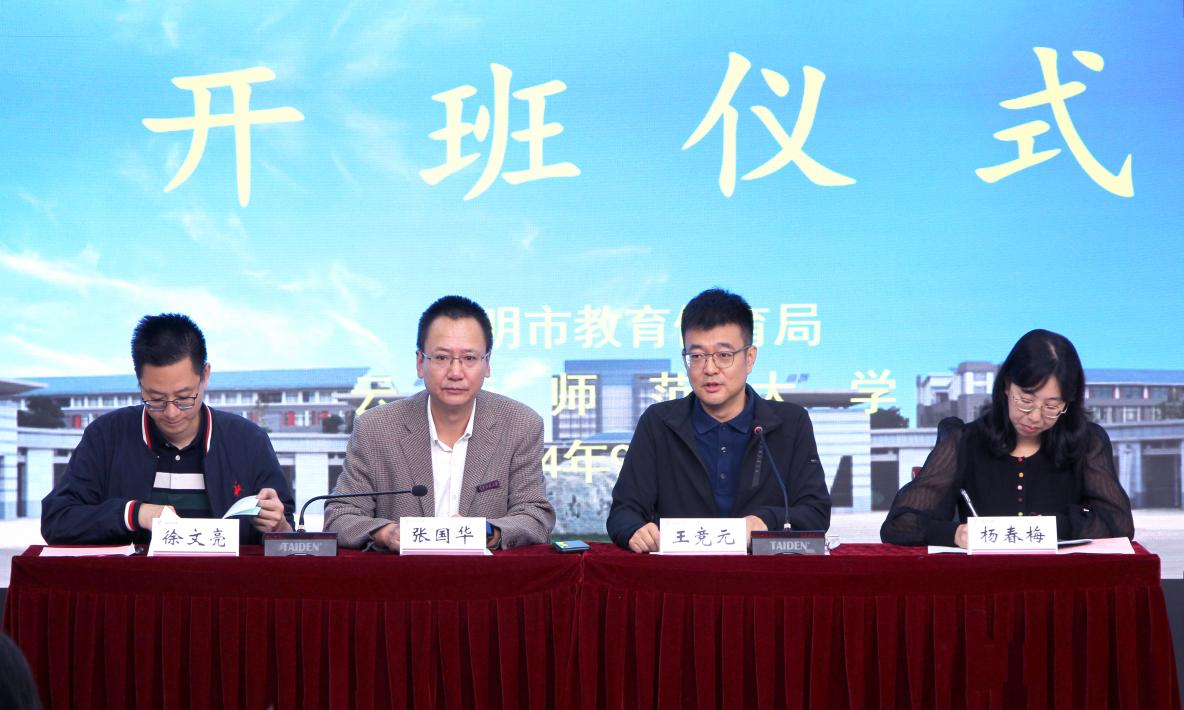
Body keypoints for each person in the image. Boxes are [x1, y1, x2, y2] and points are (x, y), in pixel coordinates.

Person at [607, 288, 831, 552]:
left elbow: (815, 512)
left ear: (749, 358)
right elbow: (623, 512)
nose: (709, 369)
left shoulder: (790, 423)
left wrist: (766, 521)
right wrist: (635, 530)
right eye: (697, 356)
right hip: (681, 573)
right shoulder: (658, 423)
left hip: (762, 574)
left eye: (724, 355)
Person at [324, 296, 555, 551]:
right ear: (420, 362)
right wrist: (385, 533)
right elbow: (340, 515)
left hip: (485, 574)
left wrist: (488, 531)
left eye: (469, 358)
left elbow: (534, 515)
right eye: (442, 357)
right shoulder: (375, 428)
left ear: (487, 364)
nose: (455, 372)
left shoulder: (521, 425)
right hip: (401, 573)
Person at [41, 314, 294, 545]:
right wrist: (134, 514)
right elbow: (56, 520)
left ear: (205, 375)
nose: (171, 413)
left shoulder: (248, 441)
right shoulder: (106, 436)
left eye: (184, 398)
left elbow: (288, 537)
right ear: (140, 382)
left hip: (222, 581)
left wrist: (278, 525)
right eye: (156, 399)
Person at [881, 329, 1134, 548]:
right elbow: (898, 524)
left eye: (1051, 406)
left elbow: (1120, 524)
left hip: (1061, 580)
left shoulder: (1087, 442)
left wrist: (1054, 527)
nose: (1035, 416)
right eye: (1026, 400)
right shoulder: (964, 441)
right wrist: (955, 534)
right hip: (983, 580)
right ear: (1006, 385)